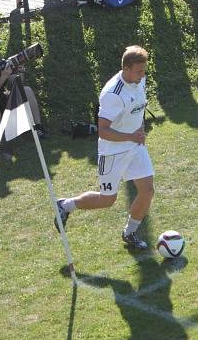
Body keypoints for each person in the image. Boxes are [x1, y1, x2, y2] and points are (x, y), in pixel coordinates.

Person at [54, 45, 154, 251]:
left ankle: (130, 233)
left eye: (144, 70)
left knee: (147, 191)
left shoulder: (139, 79)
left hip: (135, 146)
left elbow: (139, 108)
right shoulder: (112, 94)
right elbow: (103, 130)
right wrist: (131, 135)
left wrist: (140, 130)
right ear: (126, 69)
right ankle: (65, 205)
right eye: (139, 71)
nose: (143, 75)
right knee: (107, 199)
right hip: (113, 152)